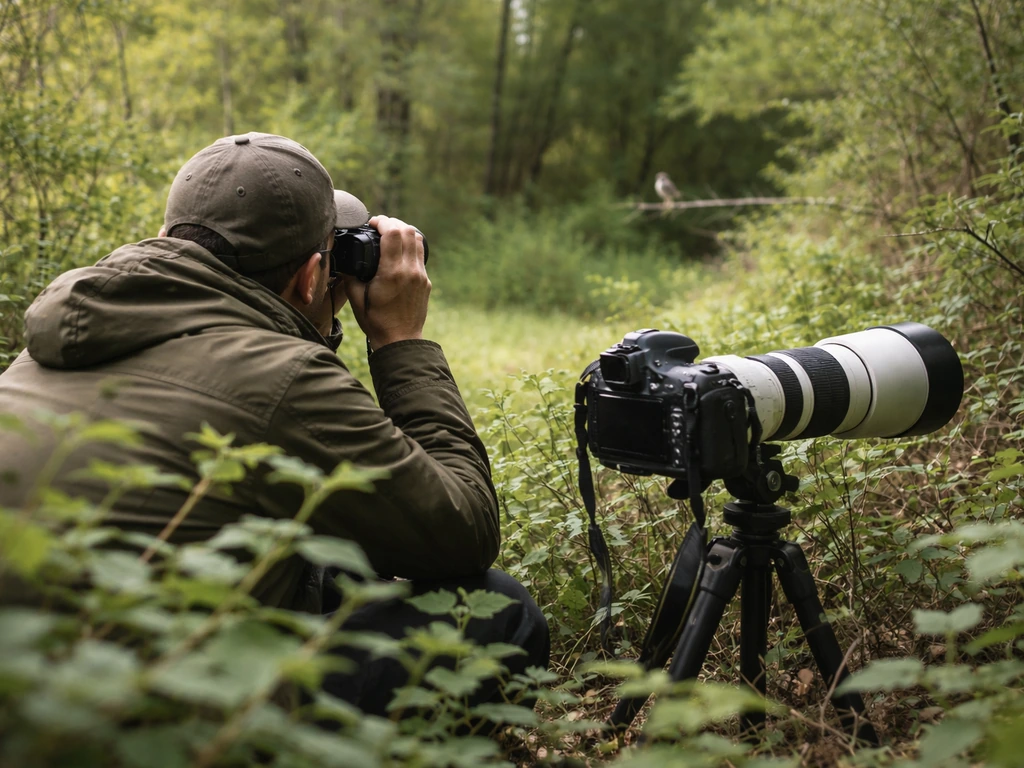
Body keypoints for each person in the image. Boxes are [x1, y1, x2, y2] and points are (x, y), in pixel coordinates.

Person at [0, 132, 549, 716]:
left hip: (29, 689)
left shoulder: (52, 341)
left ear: (169, 240)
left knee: (321, 549)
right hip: (135, 725)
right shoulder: (281, 376)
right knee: (502, 613)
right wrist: (400, 339)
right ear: (314, 278)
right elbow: (462, 530)